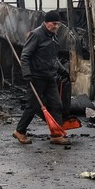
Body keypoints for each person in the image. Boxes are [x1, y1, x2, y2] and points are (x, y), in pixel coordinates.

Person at [12, 10, 70, 145]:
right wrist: (26, 73)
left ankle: (56, 135)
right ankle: (20, 132)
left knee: (57, 104)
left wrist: (62, 70)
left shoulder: (53, 36)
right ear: (46, 23)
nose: (56, 26)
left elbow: (53, 57)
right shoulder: (36, 35)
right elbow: (25, 56)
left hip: (50, 76)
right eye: (53, 24)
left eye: (58, 24)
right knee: (32, 106)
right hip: (36, 77)